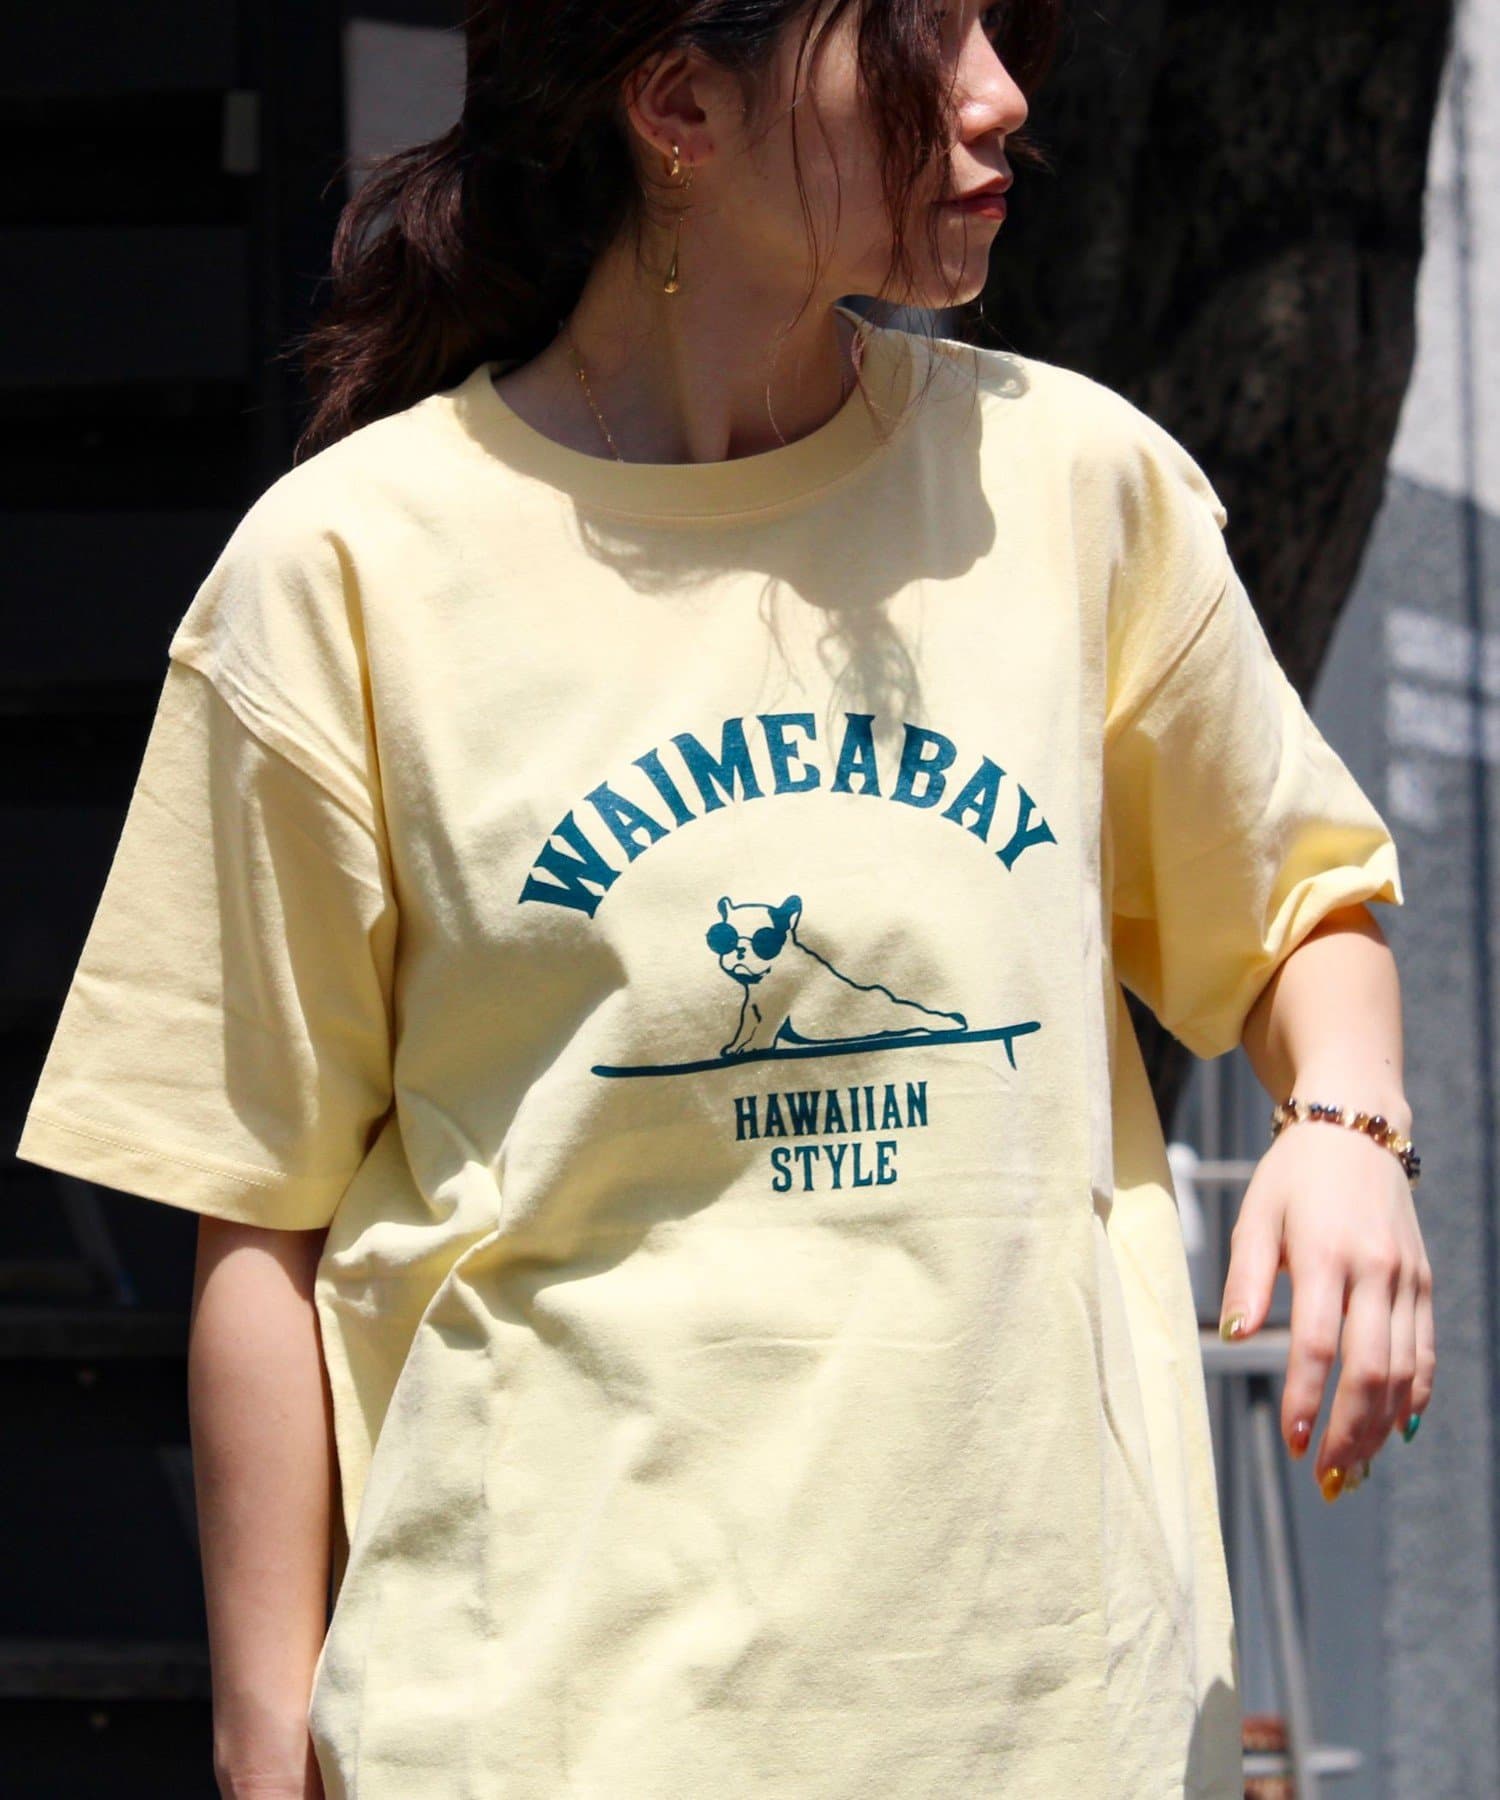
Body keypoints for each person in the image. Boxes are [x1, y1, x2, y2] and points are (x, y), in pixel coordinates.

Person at [15, 1, 1435, 1795]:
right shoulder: (345, 570)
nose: (1002, 97)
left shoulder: (1073, 490)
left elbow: (1300, 901)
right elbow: (257, 1211)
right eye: (922, 37)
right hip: (533, 1727)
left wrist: (1346, 1124)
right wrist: (258, 1741)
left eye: (1000, 28)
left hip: (1040, 1718)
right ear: (680, 103)